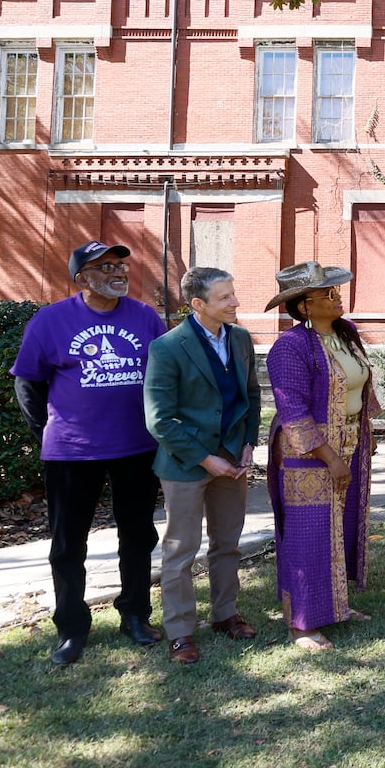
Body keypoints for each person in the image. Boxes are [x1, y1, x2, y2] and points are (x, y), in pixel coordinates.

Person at [11, 240, 167, 666]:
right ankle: (71, 628)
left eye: (120, 265)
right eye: (105, 267)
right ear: (81, 278)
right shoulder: (51, 320)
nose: (118, 272)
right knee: (68, 544)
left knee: (137, 536)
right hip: (71, 453)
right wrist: (50, 430)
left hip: (136, 447)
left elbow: (164, 373)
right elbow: (27, 382)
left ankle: (135, 615)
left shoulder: (144, 317)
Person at [143, 267, 263, 664]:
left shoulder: (242, 339)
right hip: (185, 466)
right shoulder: (167, 347)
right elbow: (159, 418)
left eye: (234, 294)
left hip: (233, 461)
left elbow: (250, 397)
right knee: (181, 551)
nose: (236, 303)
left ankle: (226, 614)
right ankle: (180, 631)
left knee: (227, 544)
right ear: (198, 304)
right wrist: (204, 458)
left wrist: (247, 444)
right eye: (225, 297)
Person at [264, 262, 381, 651]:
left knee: (340, 529)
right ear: (303, 306)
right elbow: (293, 410)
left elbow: (361, 387)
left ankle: (336, 607)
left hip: (350, 444)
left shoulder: (346, 335)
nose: (337, 297)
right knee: (308, 534)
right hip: (307, 454)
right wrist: (330, 457)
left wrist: (366, 431)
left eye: (335, 291)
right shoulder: (290, 347)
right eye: (327, 294)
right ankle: (301, 625)